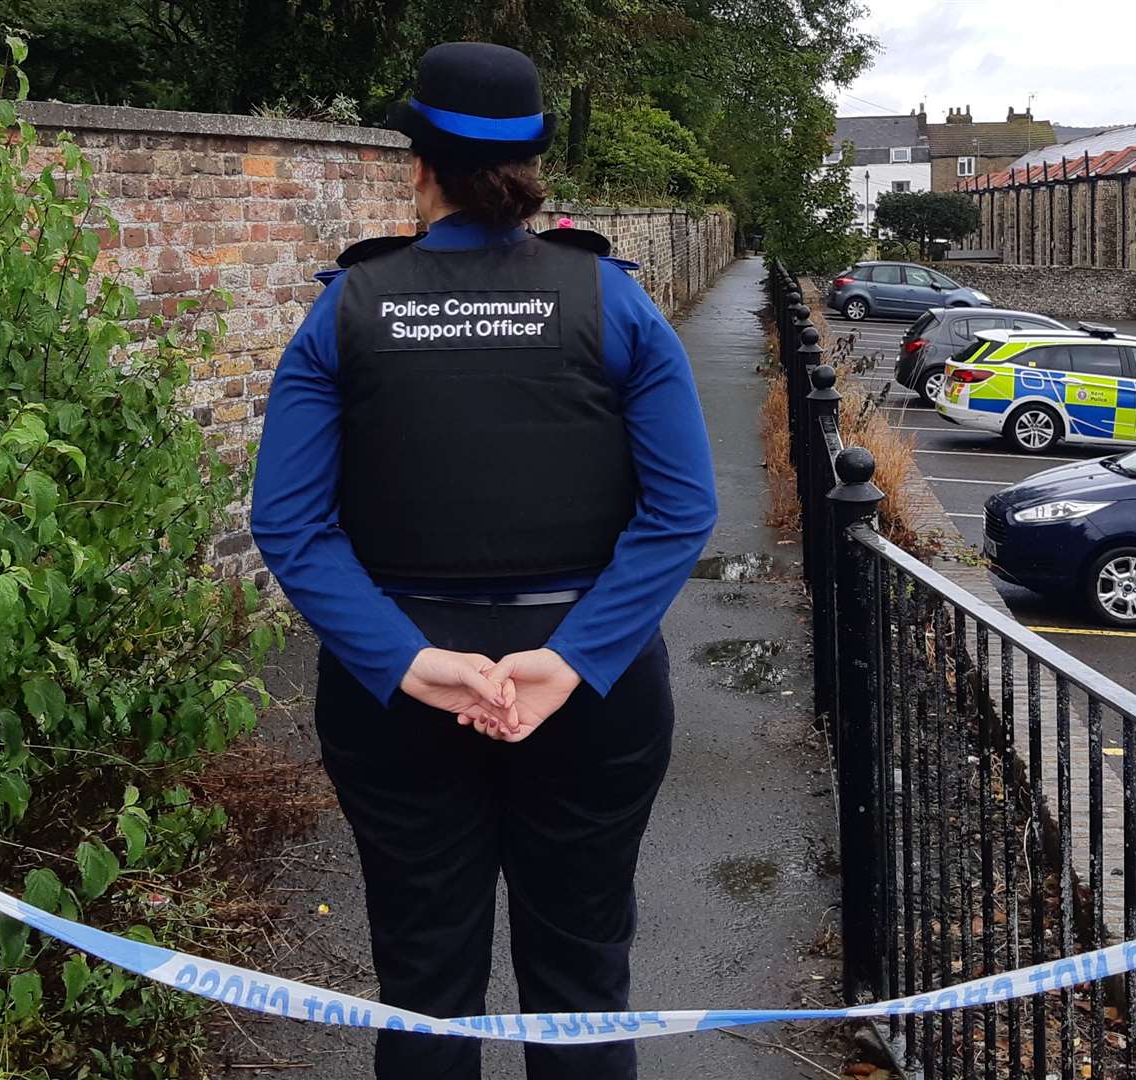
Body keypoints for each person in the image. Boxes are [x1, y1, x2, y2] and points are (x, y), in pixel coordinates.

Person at [250, 41, 718, 1080]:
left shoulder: (349, 306)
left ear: (417, 165)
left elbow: (289, 523)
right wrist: (570, 660)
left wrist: (409, 663)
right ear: (536, 167)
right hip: (590, 694)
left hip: (398, 698)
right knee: (585, 985)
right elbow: (682, 509)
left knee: (424, 991)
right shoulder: (614, 302)